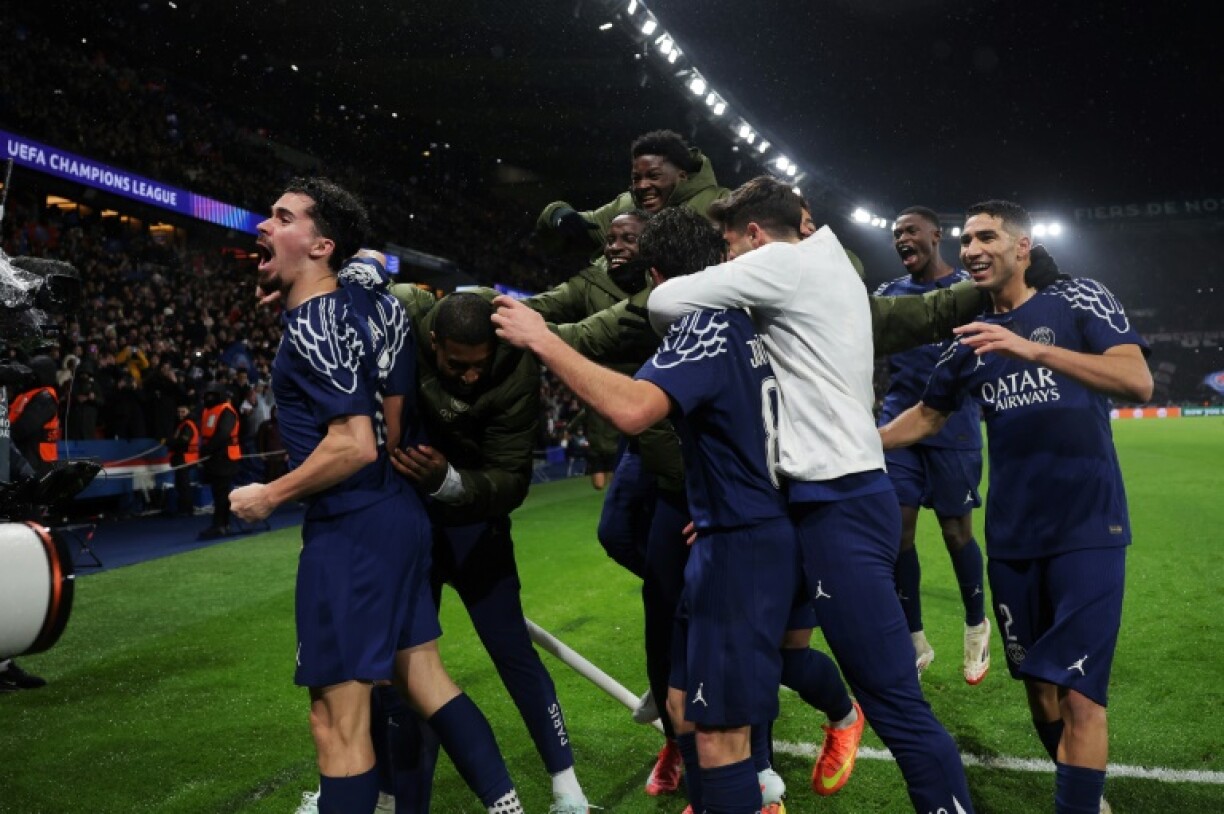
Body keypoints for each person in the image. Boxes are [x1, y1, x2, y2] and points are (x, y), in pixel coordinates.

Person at [494, 206, 869, 814]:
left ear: (655, 277)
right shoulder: (752, 319)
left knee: (721, 735)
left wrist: (541, 339)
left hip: (741, 544)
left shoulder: (706, 324)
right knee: (681, 709)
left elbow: (635, 409)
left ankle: (755, 793)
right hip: (727, 529)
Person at [647, 176, 976, 813]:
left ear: (752, 234)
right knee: (765, 655)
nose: (727, 260)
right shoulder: (824, 264)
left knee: (893, 702)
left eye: (729, 245)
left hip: (840, 506)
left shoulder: (786, 263)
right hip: (811, 503)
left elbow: (667, 301)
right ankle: (759, 782)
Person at [229, 177, 522, 814]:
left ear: (320, 245)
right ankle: (507, 805)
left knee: (337, 725)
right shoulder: (371, 301)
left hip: (352, 528)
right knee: (426, 681)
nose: (263, 225)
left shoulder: (313, 322)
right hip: (401, 516)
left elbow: (355, 444)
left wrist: (269, 494)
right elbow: (384, 419)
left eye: (282, 217)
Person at [879, 199, 1152, 814]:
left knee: (1081, 694)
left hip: (1088, 525)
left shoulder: (1079, 298)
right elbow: (927, 415)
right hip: (1010, 537)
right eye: (966, 238)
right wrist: (855, 448)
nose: (972, 248)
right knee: (1038, 688)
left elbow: (1136, 379)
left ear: (1022, 246)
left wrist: (1030, 349)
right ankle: (1083, 792)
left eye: (986, 236)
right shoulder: (971, 338)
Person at [384, 282, 591, 814]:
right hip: (411, 527)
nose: (471, 375)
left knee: (511, 652)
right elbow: (383, 291)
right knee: (405, 671)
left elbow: (512, 478)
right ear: (433, 342)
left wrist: (448, 480)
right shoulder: (411, 317)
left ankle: (567, 788)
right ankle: (399, 799)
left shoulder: (516, 369)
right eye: (458, 364)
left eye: (480, 364)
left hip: (476, 525)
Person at [877, 206, 989, 681]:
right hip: (899, 425)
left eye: (910, 231)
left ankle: (976, 624)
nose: (902, 239)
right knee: (897, 531)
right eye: (896, 233)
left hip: (955, 428)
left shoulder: (970, 290)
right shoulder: (887, 296)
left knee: (954, 532)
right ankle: (914, 639)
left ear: (935, 235)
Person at [526, 210, 652, 490]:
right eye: (610, 240)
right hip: (609, 416)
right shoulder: (589, 282)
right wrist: (477, 305)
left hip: (661, 418)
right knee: (616, 522)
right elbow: (541, 305)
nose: (615, 247)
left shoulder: (671, 280)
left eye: (628, 239)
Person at [535, 129, 729, 259]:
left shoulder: (720, 202)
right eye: (636, 178)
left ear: (682, 176)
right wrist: (559, 214)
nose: (642, 185)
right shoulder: (626, 205)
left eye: (653, 176)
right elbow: (583, 222)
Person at [197, 380, 239, 539]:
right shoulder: (208, 411)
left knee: (221, 492)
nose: (209, 398)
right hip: (214, 457)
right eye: (207, 395)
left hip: (225, 457)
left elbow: (223, 434)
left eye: (212, 395)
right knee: (219, 492)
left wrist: (207, 449)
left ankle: (220, 524)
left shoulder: (226, 411)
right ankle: (222, 524)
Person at [9, 355, 60, 477]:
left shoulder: (45, 397)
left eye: (32, 373)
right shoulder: (25, 395)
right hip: (23, 457)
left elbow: (23, 429)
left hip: (38, 462)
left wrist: (5, 433)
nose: (28, 377)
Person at [166, 400, 200, 517]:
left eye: (183, 411)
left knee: (183, 484)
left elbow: (182, 441)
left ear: (188, 411)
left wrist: (169, 442)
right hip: (184, 457)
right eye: (178, 412)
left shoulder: (188, 425)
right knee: (181, 483)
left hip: (185, 457)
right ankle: (184, 508)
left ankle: (187, 509)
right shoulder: (185, 424)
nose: (180, 414)